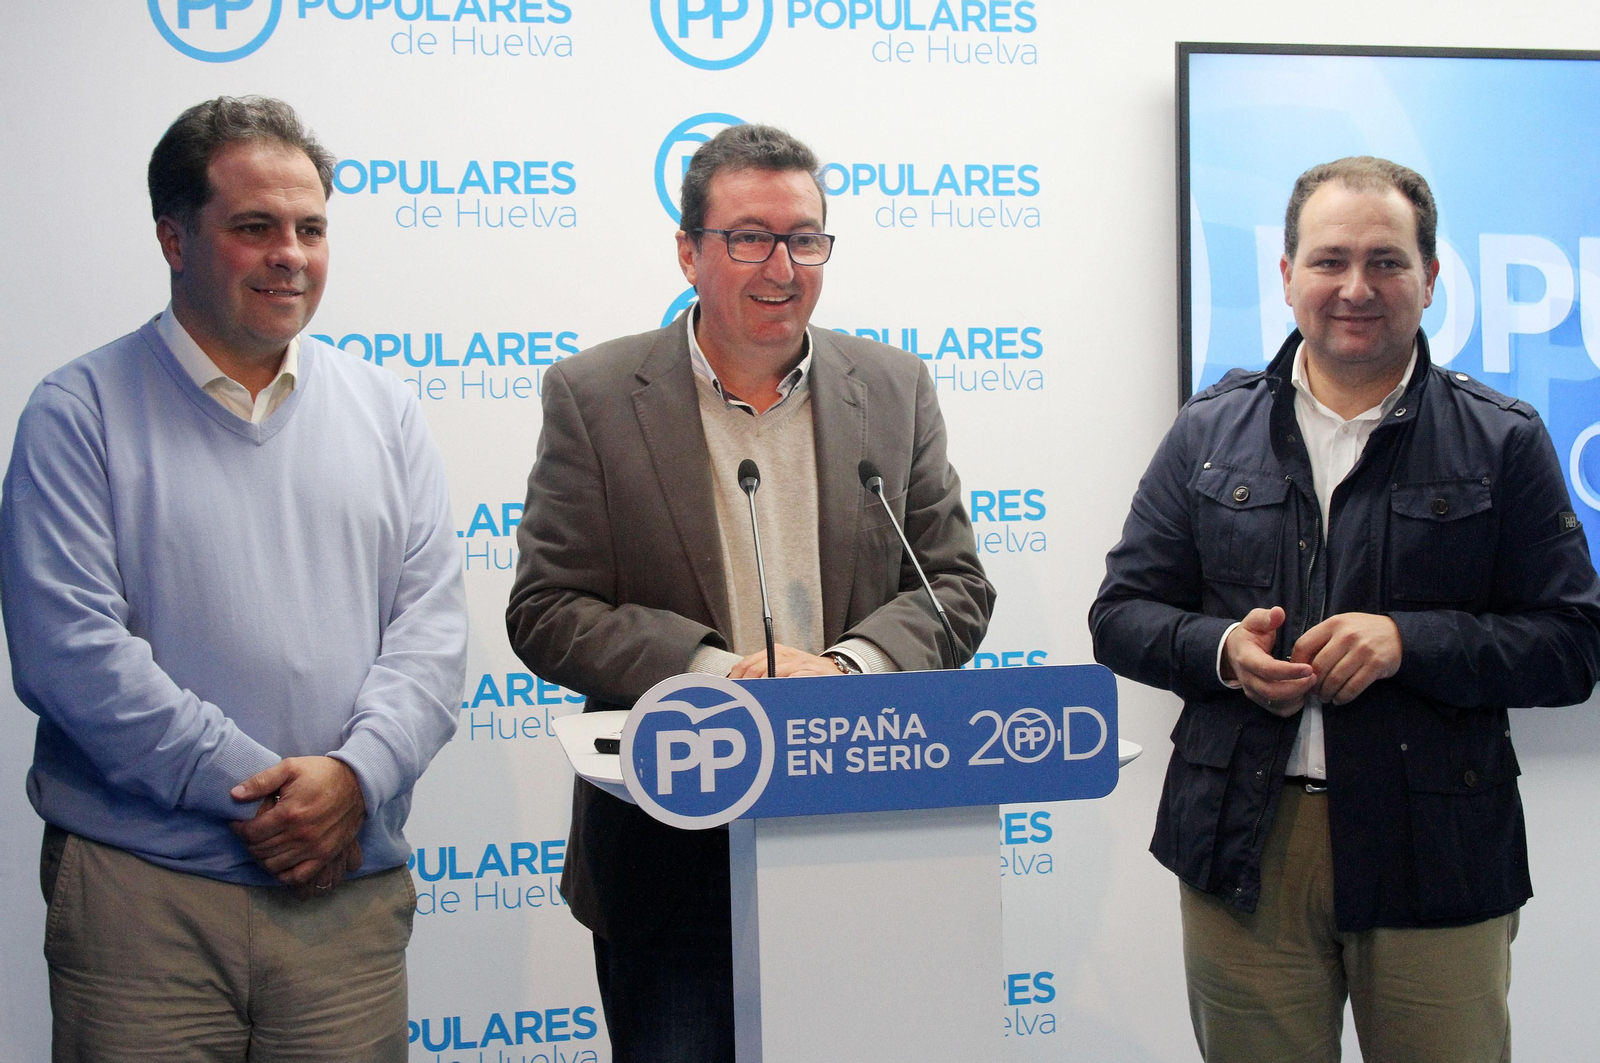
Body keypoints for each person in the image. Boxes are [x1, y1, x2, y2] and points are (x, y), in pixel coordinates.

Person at [1090, 155, 1600, 1062]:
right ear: (1286, 276)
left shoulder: (1503, 439)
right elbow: (1121, 612)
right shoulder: (1209, 430)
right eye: (1329, 261)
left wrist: (1411, 641)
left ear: (1433, 279)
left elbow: (1572, 644)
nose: (1356, 287)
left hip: (1436, 849)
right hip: (1244, 846)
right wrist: (1222, 652)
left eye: (1386, 261)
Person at [506, 123, 994, 1062]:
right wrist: (717, 670)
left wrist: (845, 667)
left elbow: (955, 586)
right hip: (671, 853)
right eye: (749, 236)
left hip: (861, 837)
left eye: (805, 237)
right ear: (690, 251)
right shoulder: (596, 395)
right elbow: (547, 609)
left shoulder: (892, 387)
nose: (782, 265)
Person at [0, 96, 467, 1062]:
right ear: (175, 237)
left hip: (345, 891)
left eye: (310, 228)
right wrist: (268, 797)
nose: (289, 253)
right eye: (254, 227)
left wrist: (354, 777)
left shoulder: (386, 409)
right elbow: (70, 655)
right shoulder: (75, 412)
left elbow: (430, 633)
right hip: (146, 903)